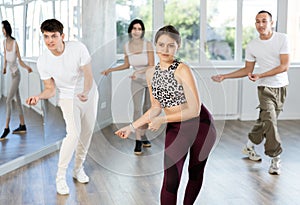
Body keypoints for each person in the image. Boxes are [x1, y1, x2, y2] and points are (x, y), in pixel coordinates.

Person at [115, 25, 216, 205]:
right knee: (171, 179)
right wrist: (132, 127)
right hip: (177, 128)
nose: (165, 50)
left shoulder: (183, 70)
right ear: (155, 45)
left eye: (171, 45)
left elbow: (194, 110)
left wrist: (162, 119)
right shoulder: (151, 73)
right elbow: (155, 107)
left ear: (178, 46)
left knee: (195, 173)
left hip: (201, 126)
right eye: (161, 45)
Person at [211, 10, 289, 175]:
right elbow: (247, 69)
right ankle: (275, 158)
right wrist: (225, 76)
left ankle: (249, 146)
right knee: (270, 121)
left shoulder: (282, 39)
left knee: (264, 122)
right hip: (265, 89)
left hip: (282, 87)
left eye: (264, 21)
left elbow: (284, 66)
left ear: (271, 22)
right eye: (257, 22)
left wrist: (261, 74)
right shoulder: (253, 45)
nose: (260, 25)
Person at [26, 19, 99, 195]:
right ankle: (60, 177)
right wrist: (38, 96)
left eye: (54, 36)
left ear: (62, 36)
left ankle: (78, 168)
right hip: (67, 97)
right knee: (73, 134)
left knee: (87, 133)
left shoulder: (78, 48)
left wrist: (86, 91)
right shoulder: (43, 61)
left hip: (89, 94)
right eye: (46, 36)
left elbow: (88, 75)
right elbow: (50, 90)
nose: (50, 40)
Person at [102, 19, 155, 155]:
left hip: (150, 79)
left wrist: (138, 71)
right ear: (130, 30)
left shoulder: (147, 44)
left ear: (142, 31)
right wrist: (110, 70)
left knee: (147, 109)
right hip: (136, 80)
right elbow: (126, 65)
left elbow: (151, 65)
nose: (136, 31)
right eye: (134, 28)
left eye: (139, 29)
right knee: (137, 110)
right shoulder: (126, 46)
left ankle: (143, 135)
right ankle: (138, 140)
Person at [0, 20, 33, 140]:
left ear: (7, 29)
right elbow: (5, 57)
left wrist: (27, 67)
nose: (2, 30)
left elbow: (20, 60)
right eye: (2, 28)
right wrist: (4, 68)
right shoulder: (4, 43)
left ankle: (6, 128)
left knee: (8, 100)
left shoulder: (15, 43)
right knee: (18, 99)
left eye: (3, 28)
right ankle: (22, 125)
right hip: (11, 75)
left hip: (17, 75)